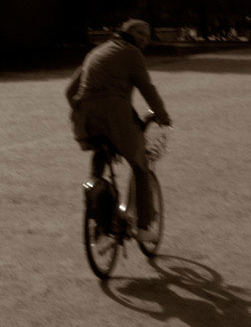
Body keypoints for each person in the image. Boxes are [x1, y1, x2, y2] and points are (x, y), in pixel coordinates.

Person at [65, 18, 172, 242]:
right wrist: (162, 115)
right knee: (141, 166)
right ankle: (144, 228)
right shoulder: (132, 53)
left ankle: (101, 221)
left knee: (101, 155)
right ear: (125, 32)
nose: (144, 38)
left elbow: (70, 90)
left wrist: (83, 108)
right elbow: (147, 88)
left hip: (84, 119)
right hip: (115, 117)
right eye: (139, 32)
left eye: (147, 34)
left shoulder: (96, 52)